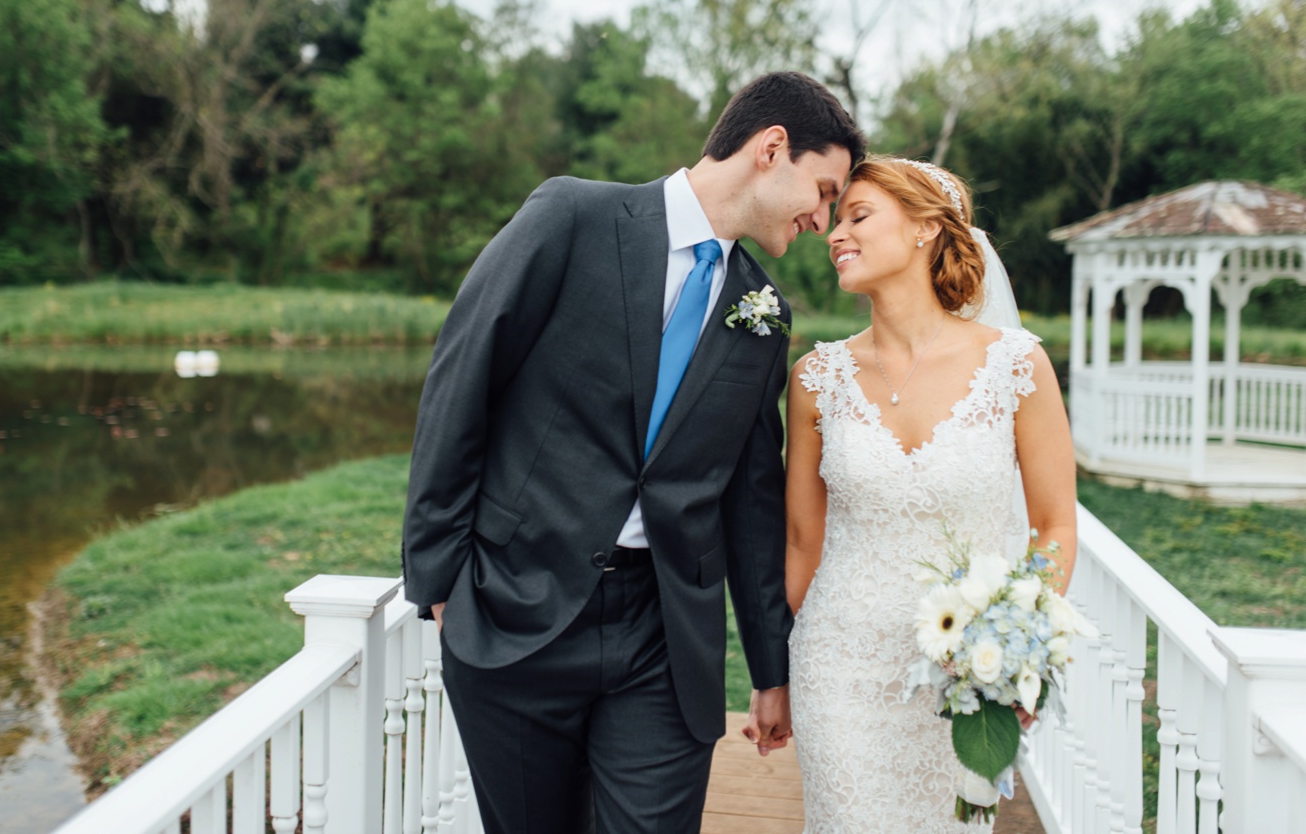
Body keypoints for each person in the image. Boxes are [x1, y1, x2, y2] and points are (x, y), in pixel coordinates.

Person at [401, 72, 867, 833]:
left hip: (664, 637)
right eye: (822, 190)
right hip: (515, 615)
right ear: (770, 148)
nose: (823, 218)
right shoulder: (570, 217)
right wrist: (441, 582)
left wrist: (770, 669)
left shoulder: (764, 314)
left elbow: (751, 504)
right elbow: (462, 382)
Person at [778, 156, 1079, 832]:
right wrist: (800, 655)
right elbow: (801, 540)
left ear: (923, 228)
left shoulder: (1016, 365)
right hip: (840, 667)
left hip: (968, 677)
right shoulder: (815, 378)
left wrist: (1020, 642)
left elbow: (1056, 523)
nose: (833, 234)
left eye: (857, 216)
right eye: (833, 220)